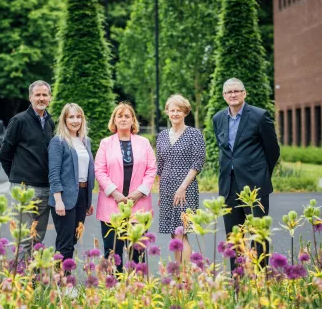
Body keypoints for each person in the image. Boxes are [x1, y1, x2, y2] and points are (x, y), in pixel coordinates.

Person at [212, 78, 280, 270]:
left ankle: (261, 279)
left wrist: (261, 174)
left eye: (236, 91)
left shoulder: (259, 116)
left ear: (244, 93)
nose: (233, 95)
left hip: (255, 184)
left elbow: (272, 150)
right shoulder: (218, 119)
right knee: (234, 236)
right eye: (229, 92)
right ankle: (238, 280)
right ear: (224, 96)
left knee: (258, 234)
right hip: (228, 184)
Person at [95, 102, 157, 272]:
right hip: (111, 205)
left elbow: (152, 169)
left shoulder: (144, 143)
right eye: (119, 116)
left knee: (137, 250)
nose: (123, 119)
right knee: (112, 251)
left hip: (139, 205)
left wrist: (140, 192)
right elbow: (99, 170)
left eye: (127, 116)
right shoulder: (105, 143)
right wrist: (114, 193)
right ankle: (113, 287)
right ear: (114, 120)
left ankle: (136, 289)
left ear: (133, 120)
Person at [0, 80, 55, 258]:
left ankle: (35, 281)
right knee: (24, 239)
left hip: (45, 189)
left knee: (38, 238)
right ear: (30, 97)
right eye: (37, 95)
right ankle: (22, 283)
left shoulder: (50, 122)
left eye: (44, 95)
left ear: (50, 98)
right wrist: (17, 179)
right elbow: (4, 154)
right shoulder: (19, 121)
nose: (41, 98)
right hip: (24, 189)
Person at [156, 94, 206, 264]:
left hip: (186, 189)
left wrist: (183, 187)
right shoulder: (162, 136)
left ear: (185, 112)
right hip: (167, 189)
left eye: (179, 110)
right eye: (172, 110)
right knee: (173, 235)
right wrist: (161, 194)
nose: (175, 113)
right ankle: (178, 275)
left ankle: (185, 278)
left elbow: (197, 163)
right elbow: (160, 166)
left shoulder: (194, 134)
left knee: (181, 232)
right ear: (167, 112)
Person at [48, 103, 95, 260]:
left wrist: (88, 200)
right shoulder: (58, 141)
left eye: (78, 117)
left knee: (74, 238)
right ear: (64, 119)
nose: (75, 120)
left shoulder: (85, 141)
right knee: (65, 242)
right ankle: (62, 281)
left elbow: (87, 171)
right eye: (71, 117)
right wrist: (58, 200)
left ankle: (65, 279)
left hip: (82, 195)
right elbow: (54, 173)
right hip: (64, 198)